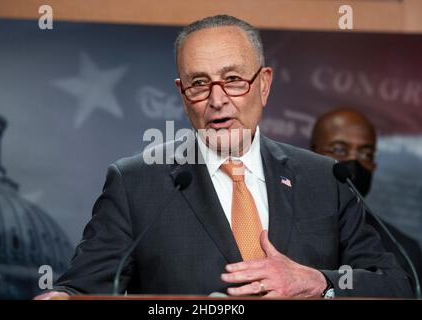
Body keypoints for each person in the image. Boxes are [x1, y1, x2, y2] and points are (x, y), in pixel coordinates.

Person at [36, 15, 412, 299]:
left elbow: (395, 284)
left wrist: (319, 283)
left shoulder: (326, 179)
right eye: (199, 83)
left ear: (263, 85)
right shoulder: (136, 183)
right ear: (183, 95)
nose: (217, 100)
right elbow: (83, 288)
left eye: (233, 79)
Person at [310, 107, 422, 296]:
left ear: (374, 165)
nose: (353, 161)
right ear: (311, 154)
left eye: (366, 154)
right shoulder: (279, 221)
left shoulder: (403, 251)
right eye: (339, 149)